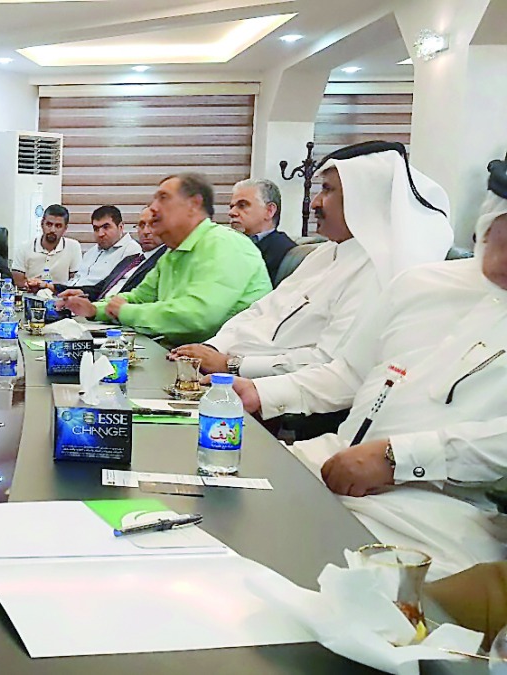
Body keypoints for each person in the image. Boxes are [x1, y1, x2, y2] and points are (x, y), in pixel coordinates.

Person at [229, 156, 507, 578]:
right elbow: (351, 373)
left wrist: (401, 457)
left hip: (439, 510)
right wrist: (259, 392)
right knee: (210, 511)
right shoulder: (423, 284)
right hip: (327, 464)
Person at [171, 142, 453, 378]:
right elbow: (258, 312)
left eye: (328, 190)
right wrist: (212, 349)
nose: (316, 202)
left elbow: (328, 362)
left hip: (272, 397)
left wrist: (232, 365)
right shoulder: (322, 253)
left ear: (363, 198)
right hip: (227, 374)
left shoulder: (379, 269)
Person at [59, 173, 271, 345]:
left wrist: (124, 312)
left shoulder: (224, 244)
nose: (153, 209)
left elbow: (196, 316)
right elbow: (140, 297)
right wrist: (95, 309)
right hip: (177, 353)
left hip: (226, 372)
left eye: (163, 198)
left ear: (193, 205)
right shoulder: (172, 253)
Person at [64, 207, 166, 302]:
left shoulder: (135, 251)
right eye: (142, 225)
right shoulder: (133, 259)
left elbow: (136, 298)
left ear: (121, 227)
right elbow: (104, 286)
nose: (146, 232)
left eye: (153, 225)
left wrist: (96, 309)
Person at [43, 205, 141, 294]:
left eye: (106, 227)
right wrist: (50, 288)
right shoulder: (92, 252)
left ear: (120, 227)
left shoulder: (131, 251)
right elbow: (76, 281)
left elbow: (112, 290)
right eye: (96, 229)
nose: (100, 234)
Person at [229, 178, 296, 283]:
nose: (232, 212)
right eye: (232, 206)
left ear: (269, 211)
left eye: (242, 205)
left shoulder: (284, 251)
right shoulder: (228, 243)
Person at [14, 204, 82, 287]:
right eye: (49, 224)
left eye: (58, 226)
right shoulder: (24, 247)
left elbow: (76, 281)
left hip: (60, 296)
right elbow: (17, 281)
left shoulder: (73, 246)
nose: (52, 230)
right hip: (30, 295)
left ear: (65, 228)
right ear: (42, 224)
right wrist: (31, 285)